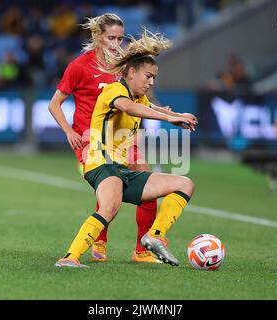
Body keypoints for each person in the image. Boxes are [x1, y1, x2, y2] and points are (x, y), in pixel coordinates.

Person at [54, 30, 198, 268]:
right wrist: (169, 119)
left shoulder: (138, 98)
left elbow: (149, 106)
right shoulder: (114, 90)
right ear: (131, 72)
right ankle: (69, 258)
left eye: (154, 78)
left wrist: (178, 115)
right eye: (148, 76)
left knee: (185, 184)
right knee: (110, 207)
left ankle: (155, 236)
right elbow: (129, 109)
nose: (151, 82)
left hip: (121, 168)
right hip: (100, 162)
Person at [49, 14, 164, 263]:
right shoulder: (79, 66)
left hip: (123, 138)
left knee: (150, 187)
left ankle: (141, 251)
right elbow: (55, 103)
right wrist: (70, 132)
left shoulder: (124, 66)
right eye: (111, 38)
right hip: (91, 139)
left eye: (120, 39)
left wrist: (163, 112)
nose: (115, 43)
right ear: (97, 36)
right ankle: (99, 239)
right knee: (109, 188)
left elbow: (139, 96)